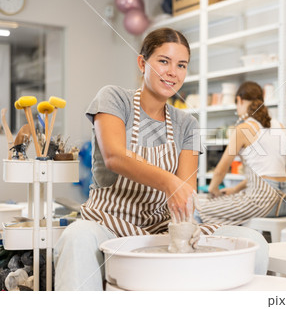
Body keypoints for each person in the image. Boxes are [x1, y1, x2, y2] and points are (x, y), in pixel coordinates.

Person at [53, 28, 269, 291]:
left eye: (181, 65)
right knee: (77, 237)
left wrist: (187, 228)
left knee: (253, 242)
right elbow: (115, 156)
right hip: (106, 223)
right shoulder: (114, 99)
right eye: (163, 61)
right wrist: (170, 182)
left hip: (161, 229)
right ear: (143, 63)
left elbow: (184, 189)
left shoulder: (187, 124)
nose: (172, 72)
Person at [195, 81, 286, 226]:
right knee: (230, 206)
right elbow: (268, 173)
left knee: (198, 209)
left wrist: (213, 190)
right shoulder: (280, 126)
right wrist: (235, 189)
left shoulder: (243, 129)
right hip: (285, 203)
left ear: (239, 100)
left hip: (262, 203)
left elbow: (220, 170)